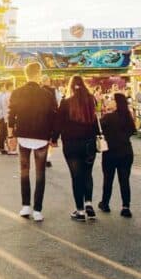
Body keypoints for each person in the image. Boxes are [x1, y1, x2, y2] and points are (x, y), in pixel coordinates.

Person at [9, 63, 57, 222]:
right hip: (42, 137)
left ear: (25, 74)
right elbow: (53, 116)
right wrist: (53, 137)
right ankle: (37, 209)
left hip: (23, 136)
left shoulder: (16, 93)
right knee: (40, 173)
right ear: (38, 74)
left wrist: (11, 137)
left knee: (24, 170)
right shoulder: (48, 94)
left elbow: (11, 116)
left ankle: (25, 206)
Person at [55, 75, 100, 221]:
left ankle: (80, 211)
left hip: (71, 145)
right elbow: (96, 121)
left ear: (70, 86)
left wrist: (53, 139)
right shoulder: (91, 100)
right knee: (88, 174)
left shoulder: (66, 102)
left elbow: (59, 123)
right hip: (89, 144)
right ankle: (89, 204)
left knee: (76, 177)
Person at [98, 93, 136, 217]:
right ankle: (126, 206)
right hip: (126, 152)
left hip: (110, 152)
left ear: (117, 102)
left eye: (112, 99)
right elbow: (132, 131)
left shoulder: (108, 117)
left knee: (108, 179)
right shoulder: (128, 117)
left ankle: (105, 203)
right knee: (124, 180)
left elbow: (98, 129)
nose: (110, 101)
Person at [0, 83, 12, 155]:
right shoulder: (1, 95)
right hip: (3, 116)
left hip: (2, 116)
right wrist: (6, 118)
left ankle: (4, 148)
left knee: (4, 132)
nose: (5, 88)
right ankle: (1, 148)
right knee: (3, 133)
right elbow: (3, 108)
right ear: (0, 88)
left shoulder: (0, 95)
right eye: (4, 87)